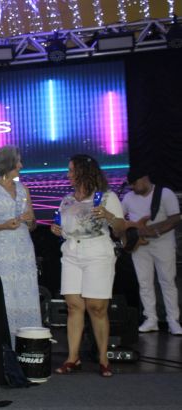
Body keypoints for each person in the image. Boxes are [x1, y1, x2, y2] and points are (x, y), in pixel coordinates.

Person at [51, 154, 126, 377]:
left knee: (97, 307)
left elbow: (121, 228)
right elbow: (65, 227)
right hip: (71, 253)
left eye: (71, 170)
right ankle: (73, 358)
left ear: (84, 171)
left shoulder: (107, 197)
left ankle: (103, 358)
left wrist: (109, 216)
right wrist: (57, 230)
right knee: (74, 306)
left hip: (97, 253)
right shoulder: (67, 200)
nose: (68, 175)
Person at [0, 146, 40, 345]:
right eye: (18, 161)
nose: (21, 165)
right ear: (9, 163)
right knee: (5, 295)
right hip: (1, 250)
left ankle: (27, 344)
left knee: (25, 294)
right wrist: (3, 225)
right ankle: (4, 346)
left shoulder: (23, 189)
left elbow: (33, 224)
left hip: (23, 250)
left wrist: (30, 220)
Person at [121, 171, 182, 335]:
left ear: (145, 178)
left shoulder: (165, 194)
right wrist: (130, 230)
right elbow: (119, 220)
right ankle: (150, 319)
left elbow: (175, 218)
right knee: (144, 282)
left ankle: (173, 320)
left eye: (135, 183)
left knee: (167, 281)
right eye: (130, 185)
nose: (133, 187)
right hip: (139, 245)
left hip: (163, 244)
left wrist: (151, 230)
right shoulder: (128, 198)